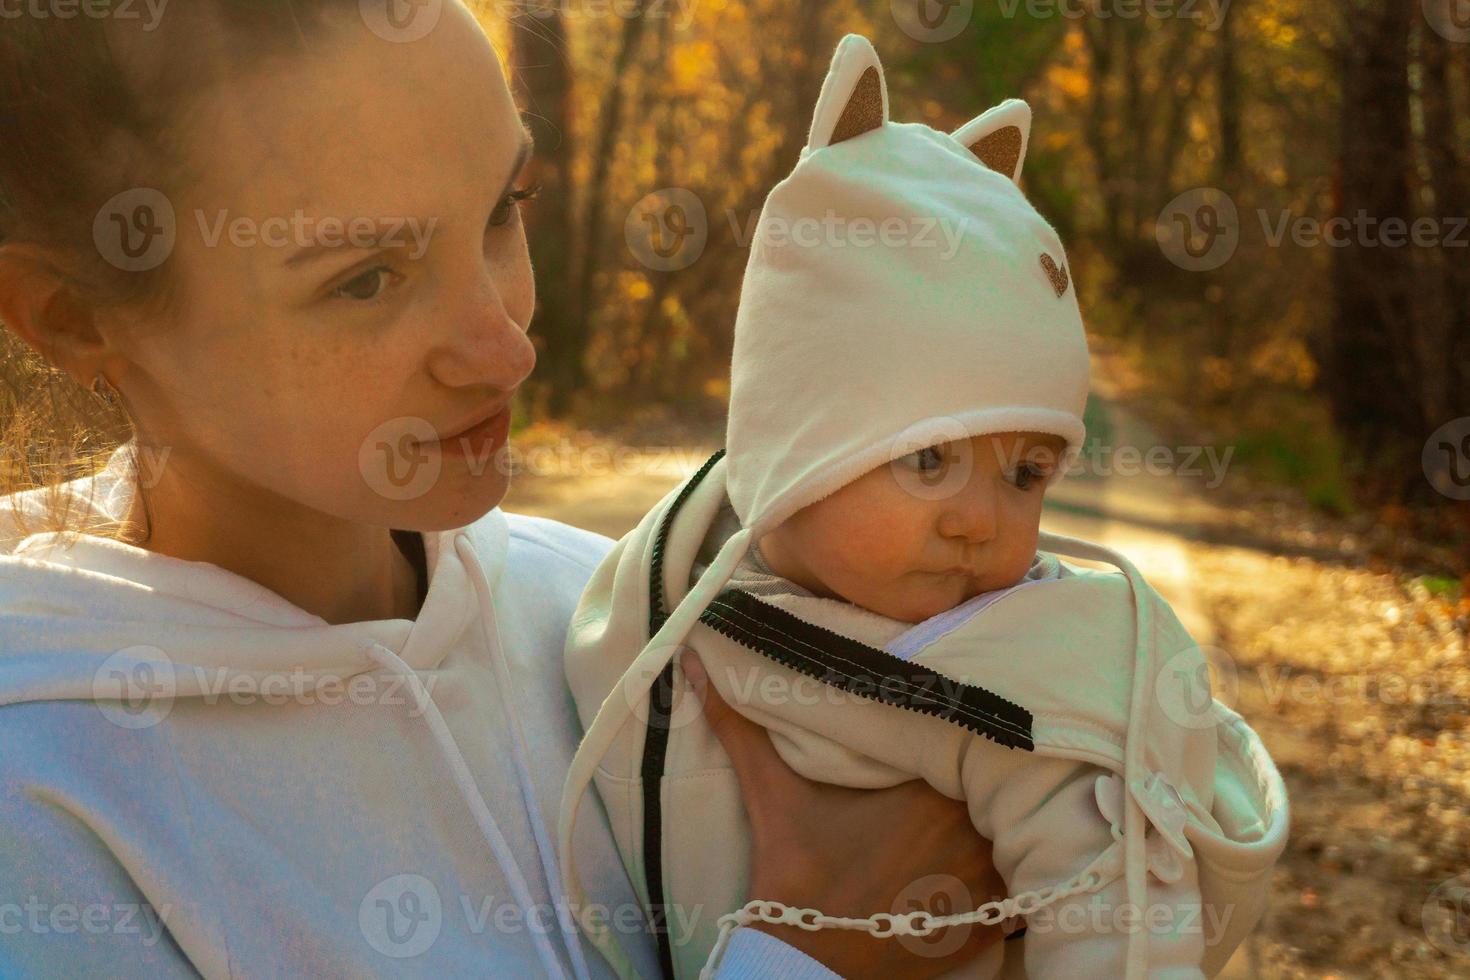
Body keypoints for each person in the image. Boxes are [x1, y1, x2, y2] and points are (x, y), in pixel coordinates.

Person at [0, 6, 1009, 978]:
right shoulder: (45, 799)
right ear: (75, 317)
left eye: (500, 211)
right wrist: (811, 956)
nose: (506, 346)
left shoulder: (616, 610)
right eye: (365, 279)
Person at [560, 34, 1290, 979]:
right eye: (930, 458)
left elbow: (1118, 922)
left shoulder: (1026, 667)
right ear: (796, 433)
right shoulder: (648, 598)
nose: (979, 522)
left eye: (1026, 473)